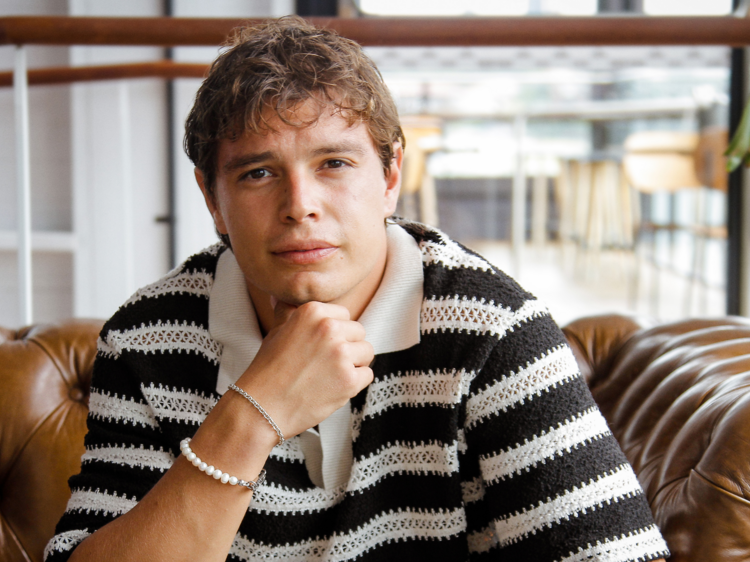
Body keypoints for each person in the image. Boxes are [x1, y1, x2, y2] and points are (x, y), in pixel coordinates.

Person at [46, 16, 669, 562]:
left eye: (334, 164)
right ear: (213, 199)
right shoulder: (149, 334)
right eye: (258, 173)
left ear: (391, 175)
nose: (300, 206)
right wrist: (252, 414)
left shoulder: (490, 327)